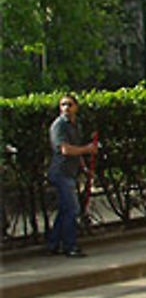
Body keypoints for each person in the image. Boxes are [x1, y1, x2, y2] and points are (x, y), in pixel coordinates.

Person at [47, 94, 97, 257]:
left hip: (70, 172)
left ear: (76, 107)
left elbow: (76, 149)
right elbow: (66, 150)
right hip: (61, 173)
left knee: (65, 209)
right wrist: (87, 149)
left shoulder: (76, 125)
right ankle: (70, 246)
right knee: (72, 209)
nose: (66, 108)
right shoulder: (59, 126)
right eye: (63, 105)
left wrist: (83, 167)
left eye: (69, 104)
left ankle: (53, 244)